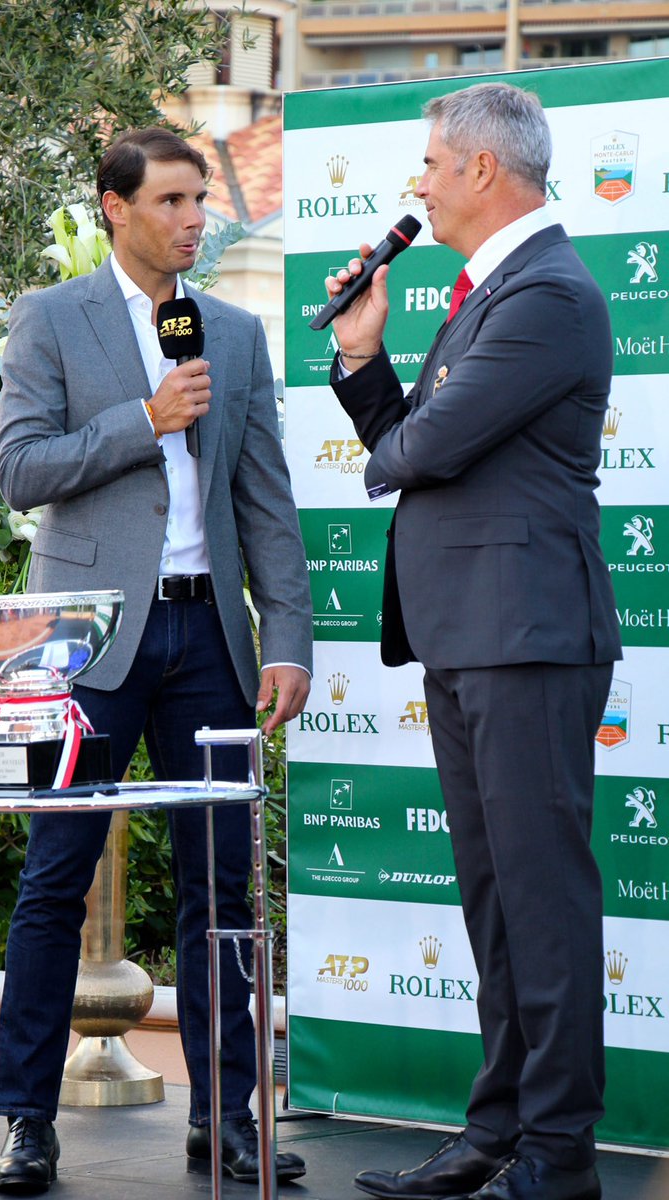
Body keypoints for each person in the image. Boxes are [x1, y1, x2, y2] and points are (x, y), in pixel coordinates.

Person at [0, 126, 312, 1193]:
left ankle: (224, 1120)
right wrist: (143, 419)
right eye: (172, 201)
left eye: (199, 203)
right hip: (85, 644)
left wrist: (290, 642)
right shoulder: (51, 318)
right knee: (54, 879)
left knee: (223, 888)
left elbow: (265, 497)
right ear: (115, 205)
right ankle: (27, 1122)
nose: (193, 220)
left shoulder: (232, 330)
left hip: (210, 642)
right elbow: (21, 470)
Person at [326, 83, 620, 1200]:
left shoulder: (548, 293)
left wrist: (397, 431)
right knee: (496, 905)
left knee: (540, 906)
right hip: (474, 634)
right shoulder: (490, 291)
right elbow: (414, 436)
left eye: (433, 165)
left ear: (485, 171)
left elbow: (427, 449)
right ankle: (496, 1134)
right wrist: (363, 360)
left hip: (527, 636)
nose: (419, 184)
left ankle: (557, 1157)